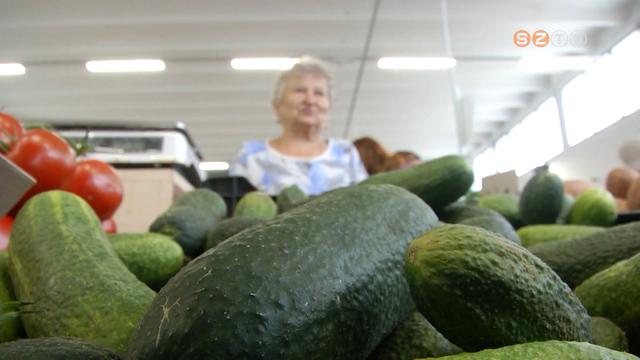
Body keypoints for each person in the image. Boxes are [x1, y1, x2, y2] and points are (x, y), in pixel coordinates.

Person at [229, 57, 368, 195]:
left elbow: (365, 204)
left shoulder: (346, 153)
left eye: (319, 93)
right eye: (300, 90)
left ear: (329, 106)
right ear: (277, 105)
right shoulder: (250, 156)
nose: (310, 100)